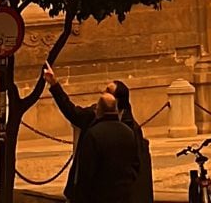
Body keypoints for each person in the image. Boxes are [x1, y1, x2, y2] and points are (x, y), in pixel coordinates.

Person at [43, 66, 152, 203]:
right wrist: (54, 84)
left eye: (108, 91)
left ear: (117, 100)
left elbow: (136, 165)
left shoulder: (131, 130)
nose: (103, 92)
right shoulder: (94, 116)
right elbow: (72, 112)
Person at [67, 93, 140, 203]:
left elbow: (86, 172)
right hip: (123, 195)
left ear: (98, 111)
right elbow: (136, 164)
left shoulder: (93, 134)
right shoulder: (129, 132)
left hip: (99, 196)